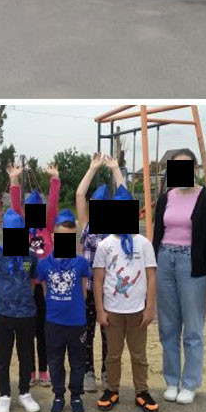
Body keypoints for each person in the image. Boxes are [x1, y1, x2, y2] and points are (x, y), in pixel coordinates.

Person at [152, 147, 206, 405]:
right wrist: (151, 269)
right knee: (168, 327)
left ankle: (190, 383)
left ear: (194, 169)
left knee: (192, 329)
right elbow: (156, 235)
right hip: (164, 261)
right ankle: (172, 380)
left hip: (191, 265)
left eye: (186, 166)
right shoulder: (165, 198)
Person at [93, 185, 158, 412]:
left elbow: (151, 277)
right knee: (113, 353)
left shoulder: (143, 243)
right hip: (113, 311)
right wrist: (100, 310)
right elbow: (99, 280)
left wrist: (150, 307)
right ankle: (112, 389)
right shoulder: (105, 245)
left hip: (138, 310)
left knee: (139, 354)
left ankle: (142, 391)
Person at [0, 209, 41, 412]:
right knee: (2, 357)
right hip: (1, 313)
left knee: (26, 356)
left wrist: (23, 298)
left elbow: (33, 281)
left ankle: (25, 392)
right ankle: (4, 395)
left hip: (26, 313)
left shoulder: (31, 256)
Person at [8, 162, 60, 386]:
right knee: (27, 331)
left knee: (43, 330)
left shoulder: (46, 228)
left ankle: (44, 370)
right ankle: (28, 370)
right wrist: (14, 180)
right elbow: (14, 207)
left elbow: (53, 206)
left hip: (45, 288)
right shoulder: (20, 230)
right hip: (25, 288)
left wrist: (54, 179)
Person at [76, 153, 124, 392]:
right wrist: (92, 169)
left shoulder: (117, 228)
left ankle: (106, 371)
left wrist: (116, 169)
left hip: (108, 291)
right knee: (86, 333)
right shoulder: (86, 226)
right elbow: (79, 195)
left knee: (108, 333)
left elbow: (124, 193)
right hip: (86, 291)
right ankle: (87, 371)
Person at [36, 208, 91, 412]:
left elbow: (84, 290)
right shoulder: (44, 264)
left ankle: (76, 395)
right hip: (54, 322)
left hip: (76, 322)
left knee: (77, 361)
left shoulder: (81, 263)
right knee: (56, 361)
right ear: (53, 236)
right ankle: (58, 395)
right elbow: (44, 290)